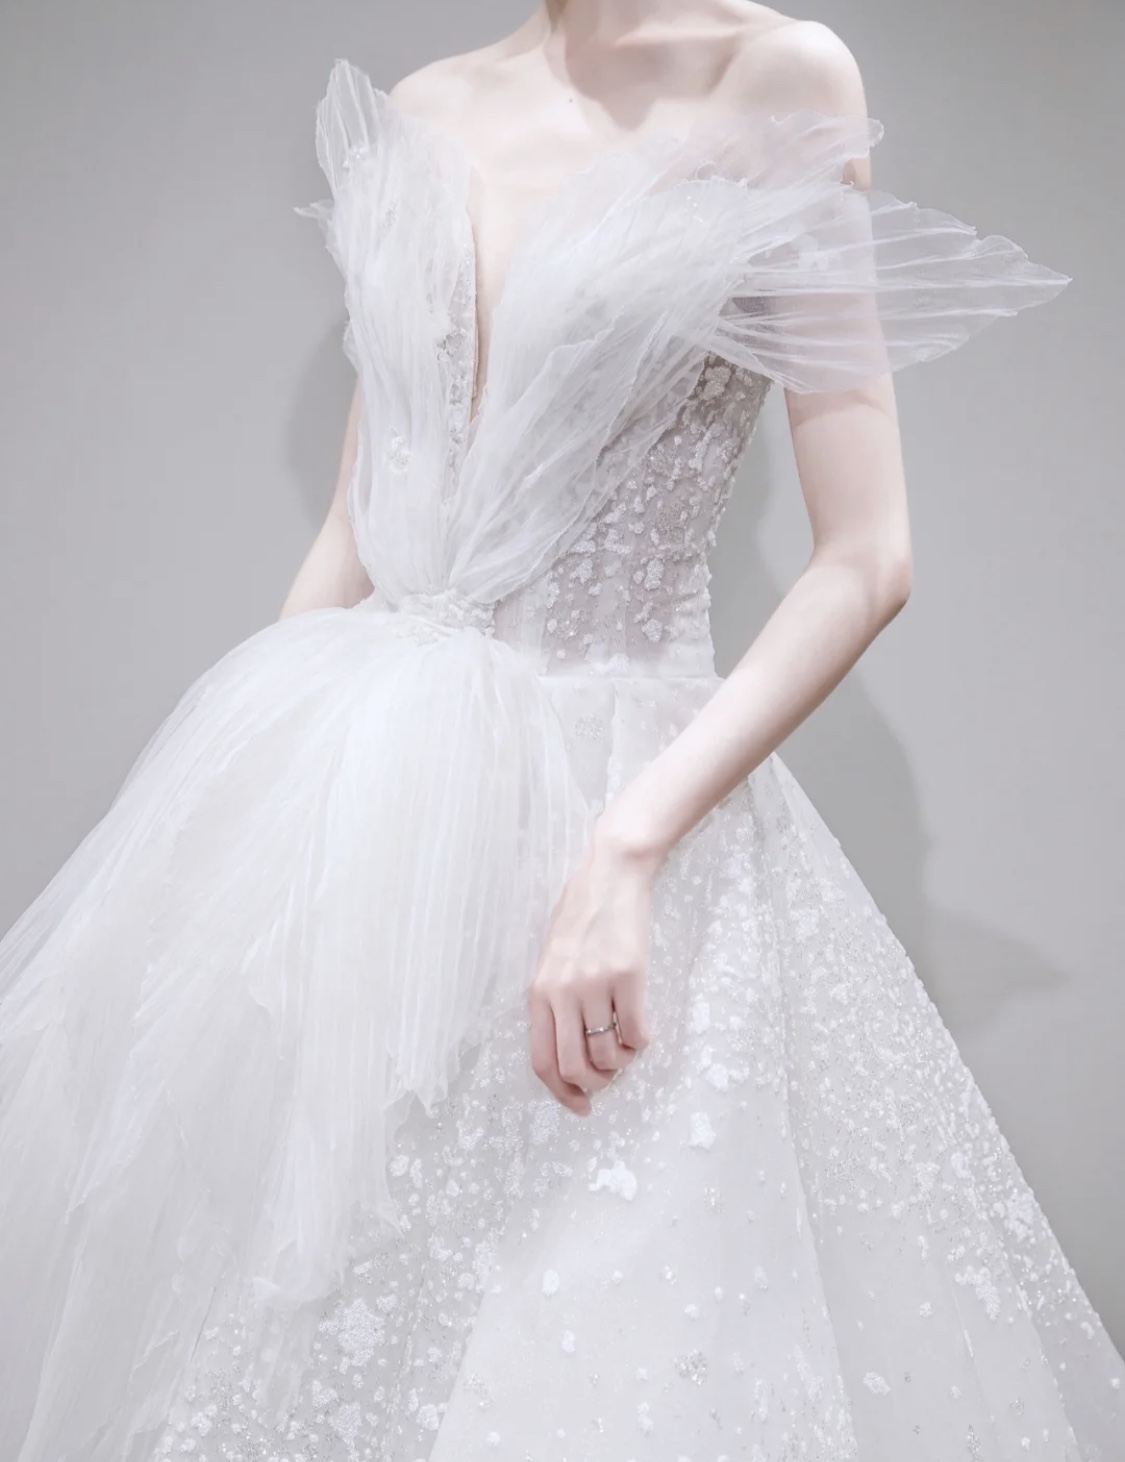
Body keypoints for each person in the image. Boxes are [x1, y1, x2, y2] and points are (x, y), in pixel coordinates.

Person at [2, 3, 1121, 1459]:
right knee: (308, 1337)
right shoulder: (423, 108)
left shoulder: (773, 76)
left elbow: (867, 557)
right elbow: (359, 527)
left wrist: (629, 846)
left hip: (618, 805)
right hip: (382, 832)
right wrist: (245, 835)